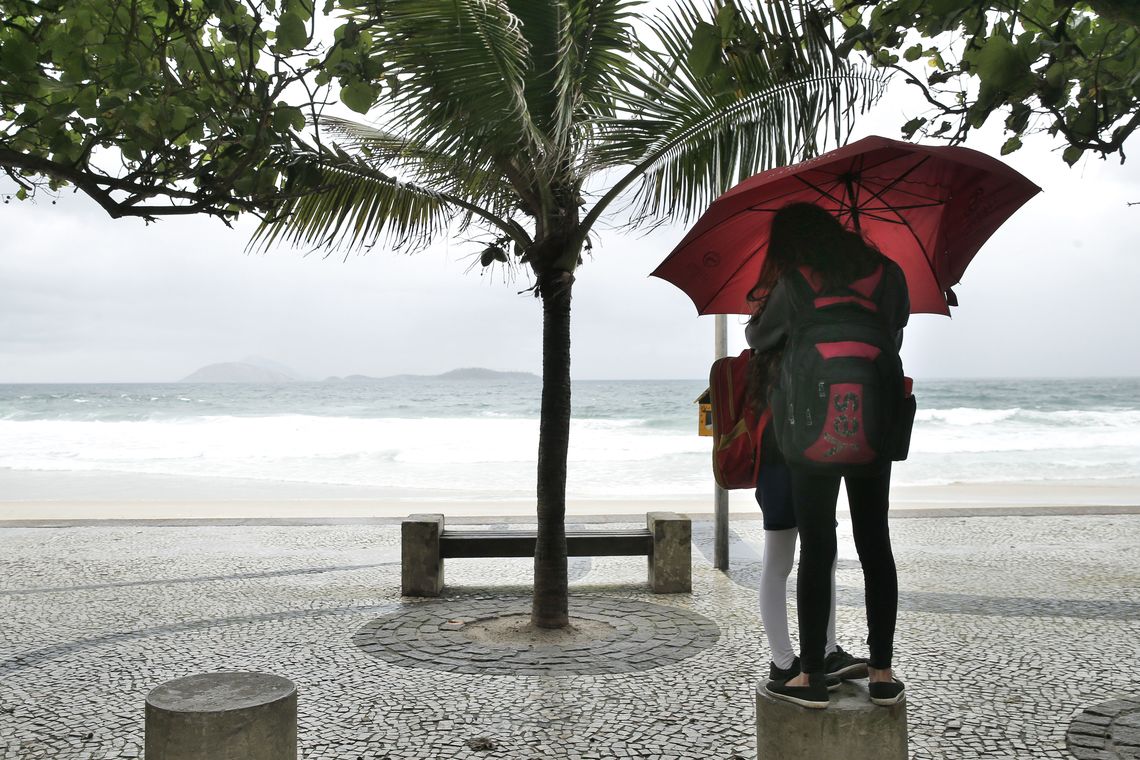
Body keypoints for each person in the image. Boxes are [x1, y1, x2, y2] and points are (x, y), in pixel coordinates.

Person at [746, 202, 909, 710]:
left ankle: (810, 676)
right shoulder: (889, 274)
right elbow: (896, 330)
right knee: (875, 542)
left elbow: (759, 338)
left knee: (818, 548)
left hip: (809, 427)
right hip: (875, 427)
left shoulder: (794, 281)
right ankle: (881, 672)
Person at [747, 347, 868, 688]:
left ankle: (826, 652)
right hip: (780, 458)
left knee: (822, 557)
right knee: (780, 562)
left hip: (813, 459)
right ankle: (783, 661)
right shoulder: (774, 341)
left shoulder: (802, 340)